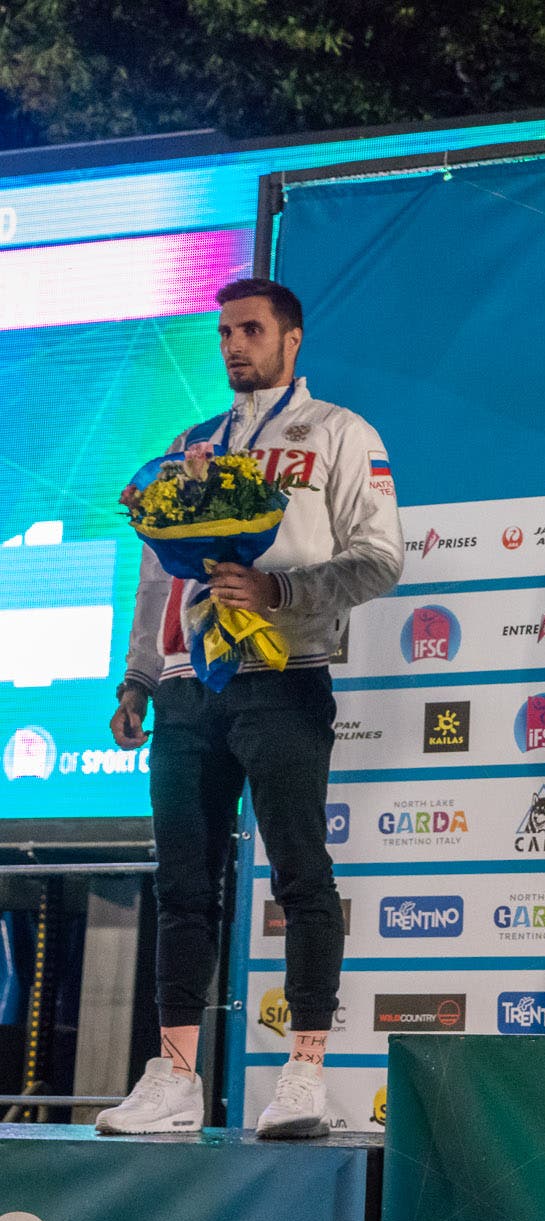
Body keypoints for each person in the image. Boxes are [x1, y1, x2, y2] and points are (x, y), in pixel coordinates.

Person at [95, 278, 402, 1138]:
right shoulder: (190, 445)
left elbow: (380, 558)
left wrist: (280, 590)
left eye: (252, 330)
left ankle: (304, 1072)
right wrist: (139, 676)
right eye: (225, 332)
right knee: (182, 884)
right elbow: (158, 572)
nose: (234, 346)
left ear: (291, 339)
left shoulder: (340, 433)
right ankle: (175, 1077)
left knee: (301, 874)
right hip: (188, 686)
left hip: (284, 670)